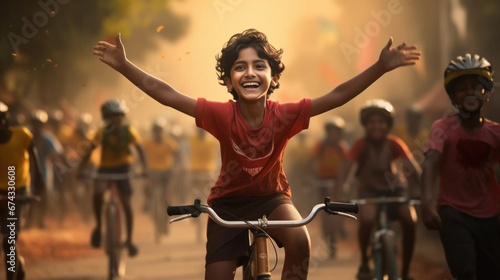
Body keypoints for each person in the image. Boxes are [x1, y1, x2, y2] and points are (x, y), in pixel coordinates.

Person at [93, 29, 420, 280]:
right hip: (227, 203)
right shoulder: (220, 114)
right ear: (230, 81)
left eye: (259, 66)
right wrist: (124, 66)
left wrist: (380, 66)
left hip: (273, 198)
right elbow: (164, 93)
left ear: (273, 77)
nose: (250, 72)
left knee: (301, 242)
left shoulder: (287, 114)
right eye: (240, 67)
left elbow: (337, 95)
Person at [421, 54, 500, 279]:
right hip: (453, 211)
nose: (470, 93)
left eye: (476, 87)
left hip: (490, 214)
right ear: (453, 97)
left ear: (486, 92)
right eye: (462, 89)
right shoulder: (442, 128)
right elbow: (431, 162)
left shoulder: (495, 133)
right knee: (464, 271)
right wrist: (425, 202)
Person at [336, 99, 422, 280]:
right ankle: (364, 262)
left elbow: (413, 168)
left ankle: (405, 271)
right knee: (366, 219)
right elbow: (345, 169)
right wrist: (339, 193)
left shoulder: (395, 143)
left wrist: (425, 192)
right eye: (371, 122)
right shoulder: (360, 144)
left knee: (410, 220)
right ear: (365, 125)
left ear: (388, 125)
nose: (376, 126)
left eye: (381, 122)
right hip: (369, 191)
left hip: (395, 189)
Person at [79, 99, 148, 257]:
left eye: (117, 117)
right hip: (105, 167)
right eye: (110, 117)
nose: (114, 120)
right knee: (98, 192)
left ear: (121, 118)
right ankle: (98, 226)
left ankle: (129, 240)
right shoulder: (101, 133)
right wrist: (81, 169)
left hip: (124, 167)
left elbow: (140, 150)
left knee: (126, 202)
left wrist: (144, 168)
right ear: (105, 119)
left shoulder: (129, 131)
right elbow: (89, 152)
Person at [0, 101, 46, 280]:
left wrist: (39, 179)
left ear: (4, 120)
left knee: (8, 241)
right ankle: (16, 264)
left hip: (16, 190)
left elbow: (33, 156)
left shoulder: (22, 136)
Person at [310, 116, 349, 258]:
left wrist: (344, 180)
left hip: (337, 181)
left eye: (336, 131)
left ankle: (340, 226)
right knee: (324, 211)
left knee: (343, 202)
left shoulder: (342, 147)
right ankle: (328, 233)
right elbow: (312, 160)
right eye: (331, 131)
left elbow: (347, 163)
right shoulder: (321, 145)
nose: (333, 134)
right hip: (323, 181)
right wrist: (311, 177)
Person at [142, 117, 179, 235]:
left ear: (163, 131)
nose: (158, 132)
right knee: (146, 188)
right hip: (153, 173)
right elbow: (141, 157)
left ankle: (166, 220)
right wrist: (140, 167)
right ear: (153, 131)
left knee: (167, 197)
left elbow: (178, 155)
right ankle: (147, 204)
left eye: (160, 130)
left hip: (167, 173)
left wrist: (179, 167)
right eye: (156, 130)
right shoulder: (148, 143)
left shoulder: (169, 143)